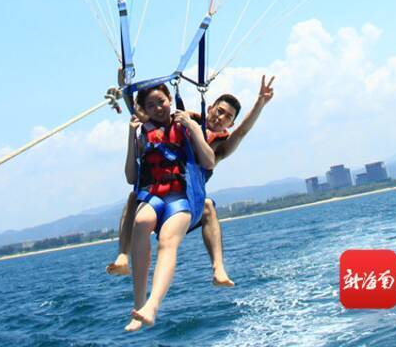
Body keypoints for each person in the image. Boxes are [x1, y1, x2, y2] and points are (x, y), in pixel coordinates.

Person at [108, 75, 275, 289]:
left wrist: (260, 102)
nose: (220, 118)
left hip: (187, 206)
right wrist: (125, 86)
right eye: (220, 111)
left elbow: (242, 132)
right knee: (134, 195)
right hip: (159, 198)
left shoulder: (220, 146)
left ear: (230, 123)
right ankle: (123, 255)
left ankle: (218, 268)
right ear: (211, 107)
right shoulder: (183, 119)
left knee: (208, 206)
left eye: (227, 117)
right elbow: (144, 112)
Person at [123, 84, 215, 332]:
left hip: (184, 200)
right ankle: (139, 304)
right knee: (140, 223)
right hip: (155, 197)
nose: (158, 108)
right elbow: (132, 177)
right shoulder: (144, 132)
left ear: (170, 100)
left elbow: (209, 161)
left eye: (161, 102)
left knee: (166, 240)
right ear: (144, 110)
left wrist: (194, 128)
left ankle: (152, 305)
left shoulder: (184, 127)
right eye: (151, 106)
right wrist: (131, 139)